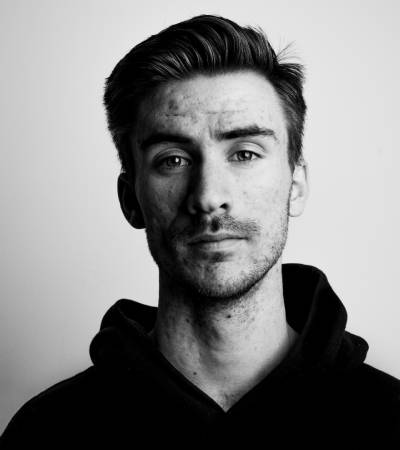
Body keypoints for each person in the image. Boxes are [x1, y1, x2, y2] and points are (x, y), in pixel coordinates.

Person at [1, 14, 399, 448]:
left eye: (245, 153)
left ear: (296, 186)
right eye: (173, 160)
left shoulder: (390, 417)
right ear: (130, 199)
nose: (209, 196)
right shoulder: (43, 435)